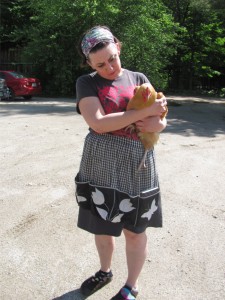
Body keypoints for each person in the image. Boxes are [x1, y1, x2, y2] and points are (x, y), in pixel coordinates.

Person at [75, 25, 167, 300]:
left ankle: (131, 286)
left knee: (135, 231)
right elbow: (98, 123)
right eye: (100, 64)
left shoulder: (138, 78)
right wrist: (147, 112)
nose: (110, 68)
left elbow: (160, 123)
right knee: (102, 226)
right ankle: (105, 271)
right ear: (89, 63)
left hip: (138, 163)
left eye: (112, 58)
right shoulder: (86, 83)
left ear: (118, 46)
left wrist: (158, 119)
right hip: (100, 162)